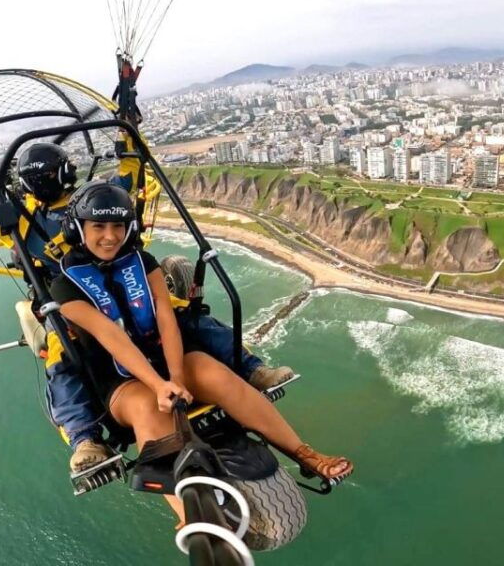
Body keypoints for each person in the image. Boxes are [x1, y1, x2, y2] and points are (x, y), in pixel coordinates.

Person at [0, 136, 294, 473]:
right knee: (71, 355)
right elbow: (130, 172)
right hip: (72, 300)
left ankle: (87, 438)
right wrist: (128, 136)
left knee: (169, 320)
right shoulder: (41, 215)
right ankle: (87, 437)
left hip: (125, 284)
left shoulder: (46, 214)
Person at [49, 181, 352, 520]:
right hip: (120, 377)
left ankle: (305, 454)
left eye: (117, 226)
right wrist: (158, 384)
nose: (109, 236)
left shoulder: (143, 262)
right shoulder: (64, 285)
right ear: (79, 229)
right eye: (98, 227)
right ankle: (193, 520)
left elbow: (166, 319)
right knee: (149, 409)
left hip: (167, 356)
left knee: (215, 375)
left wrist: (177, 377)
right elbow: (111, 336)